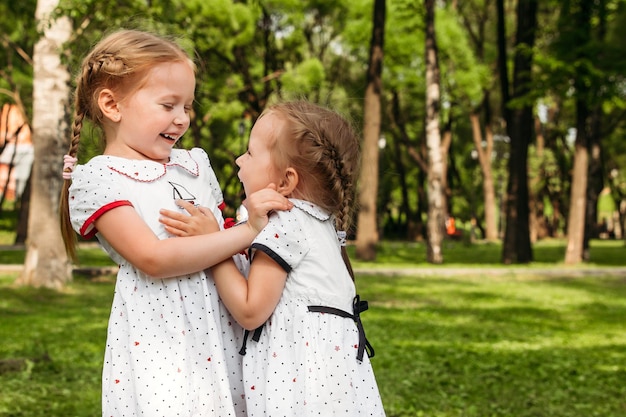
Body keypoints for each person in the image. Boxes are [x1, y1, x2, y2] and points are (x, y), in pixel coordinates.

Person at [58, 29, 291, 416]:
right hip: (165, 339)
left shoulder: (194, 164)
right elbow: (153, 257)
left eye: (187, 106)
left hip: (225, 319)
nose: (182, 119)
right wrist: (245, 232)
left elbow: (222, 231)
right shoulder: (99, 179)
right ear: (112, 105)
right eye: (168, 105)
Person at [168, 101, 386, 416]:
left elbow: (250, 310)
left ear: (285, 182)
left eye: (251, 153)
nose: (239, 160)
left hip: (303, 387)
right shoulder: (322, 224)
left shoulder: (286, 222)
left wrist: (212, 243)